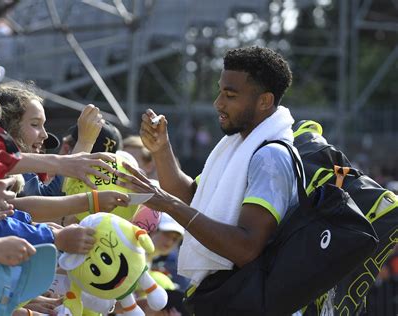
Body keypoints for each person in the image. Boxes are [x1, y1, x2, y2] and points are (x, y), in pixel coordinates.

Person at [116, 46, 300, 303]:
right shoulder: (238, 145)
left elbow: (246, 248)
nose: (218, 103)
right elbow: (194, 198)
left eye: (230, 95)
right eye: (220, 92)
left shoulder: (270, 158)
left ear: (265, 101)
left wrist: (169, 205)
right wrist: (162, 150)